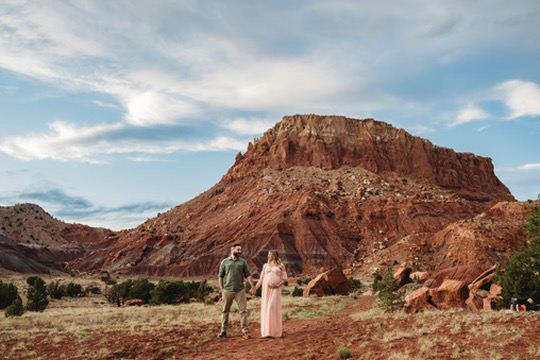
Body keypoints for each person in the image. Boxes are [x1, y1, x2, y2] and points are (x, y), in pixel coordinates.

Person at [218, 244, 254, 339]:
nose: (239, 251)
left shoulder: (243, 262)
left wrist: (252, 285)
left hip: (240, 290)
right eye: (238, 249)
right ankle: (223, 331)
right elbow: (220, 276)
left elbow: (248, 275)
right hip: (227, 290)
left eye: (240, 250)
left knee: (243, 311)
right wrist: (222, 290)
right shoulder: (225, 262)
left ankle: (245, 332)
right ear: (232, 250)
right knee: (225, 311)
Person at [251, 250, 287, 338]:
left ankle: (275, 332)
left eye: (270, 255)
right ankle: (267, 332)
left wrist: (277, 285)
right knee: (266, 308)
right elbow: (261, 278)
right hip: (266, 289)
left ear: (274, 255)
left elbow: (284, 278)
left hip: (275, 289)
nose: (268, 256)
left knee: (272, 308)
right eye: (268, 255)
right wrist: (255, 287)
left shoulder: (281, 265)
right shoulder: (265, 265)